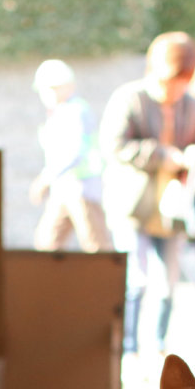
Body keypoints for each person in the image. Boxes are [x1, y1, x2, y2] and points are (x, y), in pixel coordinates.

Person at [99, 32, 195, 355]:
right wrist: (164, 155)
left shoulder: (191, 106)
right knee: (136, 279)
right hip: (133, 205)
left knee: (167, 282)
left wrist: (194, 155)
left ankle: (158, 344)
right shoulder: (130, 98)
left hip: (173, 208)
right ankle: (128, 346)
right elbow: (114, 145)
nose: (175, 88)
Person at [30, 59, 112, 253]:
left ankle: (103, 283)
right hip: (63, 188)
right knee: (47, 244)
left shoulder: (76, 111)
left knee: (96, 246)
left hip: (82, 187)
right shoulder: (59, 112)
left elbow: (75, 152)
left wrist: (46, 178)